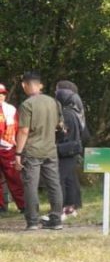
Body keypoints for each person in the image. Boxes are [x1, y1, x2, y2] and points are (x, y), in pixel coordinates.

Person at [15, 72, 64, 230]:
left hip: (32, 151)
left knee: (31, 185)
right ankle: (56, 220)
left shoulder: (27, 105)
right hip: (50, 149)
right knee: (54, 184)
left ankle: (33, 221)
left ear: (24, 85)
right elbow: (59, 126)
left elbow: (23, 131)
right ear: (40, 85)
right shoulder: (54, 102)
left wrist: (17, 154)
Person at [55, 87, 83, 218]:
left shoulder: (65, 114)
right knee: (70, 180)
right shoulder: (74, 112)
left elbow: (64, 133)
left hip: (65, 150)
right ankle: (70, 207)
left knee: (60, 180)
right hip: (72, 150)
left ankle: (60, 210)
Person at [0, 83, 25, 213]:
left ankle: (23, 205)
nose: (1, 96)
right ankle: (1, 206)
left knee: (14, 178)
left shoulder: (11, 109)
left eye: (3, 93)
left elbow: (17, 128)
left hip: (8, 149)